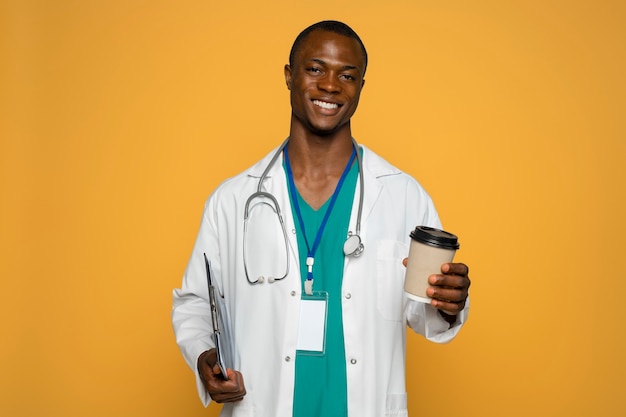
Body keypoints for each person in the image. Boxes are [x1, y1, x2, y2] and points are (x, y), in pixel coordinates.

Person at [172, 20, 471, 417]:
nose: (331, 85)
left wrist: (448, 303)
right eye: (315, 69)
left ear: (361, 86)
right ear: (289, 76)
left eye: (347, 75)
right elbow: (195, 302)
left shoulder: (402, 195)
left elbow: (425, 314)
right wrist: (204, 356)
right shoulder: (232, 200)